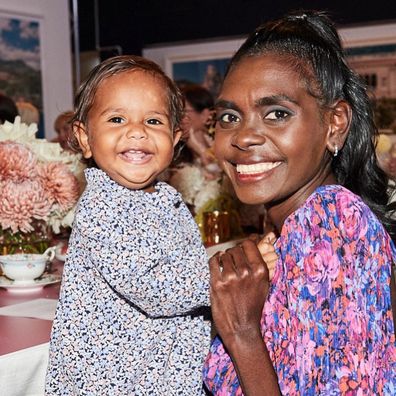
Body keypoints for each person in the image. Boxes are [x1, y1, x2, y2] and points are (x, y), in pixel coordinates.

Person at [203, 10, 396, 395]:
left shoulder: (332, 224)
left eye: (276, 114)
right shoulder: (287, 226)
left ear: (335, 123)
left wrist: (242, 333)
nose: (243, 137)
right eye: (229, 116)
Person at [45, 55, 212, 395]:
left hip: (160, 372)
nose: (136, 131)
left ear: (175, 137)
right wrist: (221, 277)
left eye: (153, 120)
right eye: (117, 118)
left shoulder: (164, 198)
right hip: (112, 383)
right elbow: (152, 286)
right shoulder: (103, 205)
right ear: (85, 137)